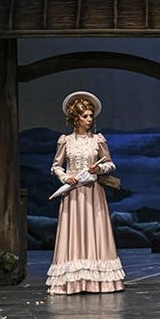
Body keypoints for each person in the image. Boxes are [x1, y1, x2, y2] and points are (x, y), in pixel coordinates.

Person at [46, 91, 125, 295]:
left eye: (91, 116)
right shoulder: (66, 141)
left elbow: (111, 164)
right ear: (76, 118)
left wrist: (99, 168)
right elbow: (56, 166)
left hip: (93, 192)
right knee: (74, 231)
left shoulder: (98, 140)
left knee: (94, 230)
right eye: (85, 116)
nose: (89, 119)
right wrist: (65, 178)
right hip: (73, 193)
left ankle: (99, 281)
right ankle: (72, 281)